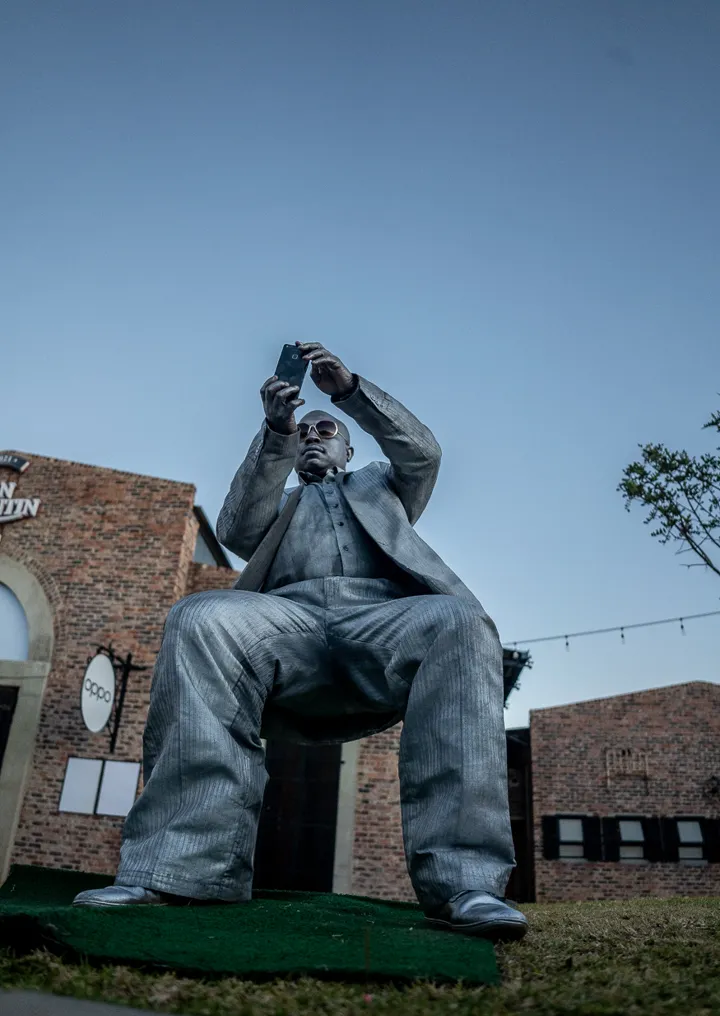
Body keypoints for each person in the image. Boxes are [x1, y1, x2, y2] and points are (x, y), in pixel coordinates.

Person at [74, 341, 528, 941]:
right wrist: (275, 432)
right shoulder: (277, 501)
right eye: (305, 431)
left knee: (461, 621)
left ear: (348, 448)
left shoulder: (382, 486)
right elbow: (235, 528)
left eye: (326, 430)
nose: (314, 436)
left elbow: (423, 453)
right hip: (288, 623)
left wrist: (351, 392)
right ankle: (178, 868)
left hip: (381, 621)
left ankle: (466, 883)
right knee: (200, 616)